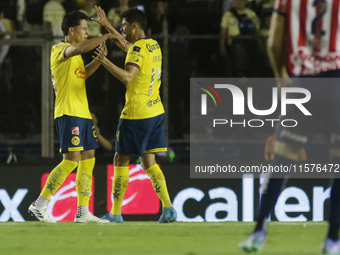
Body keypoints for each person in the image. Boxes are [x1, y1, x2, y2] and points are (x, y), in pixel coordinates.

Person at [239, 0, 340, 253]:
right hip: (335, 82)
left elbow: (273, 42)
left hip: (303, 83)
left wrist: (280, 75)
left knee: (282, 158)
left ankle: (259, 231)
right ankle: (332, 240)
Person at [28, 10, 126, 223]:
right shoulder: (59, 49)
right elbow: (81, 47)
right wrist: (108, 35)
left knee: (89, 157)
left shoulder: (77, 57)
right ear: (70, 31)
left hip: (83, 113)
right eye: (84, 29)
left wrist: (100, 60)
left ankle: (83, 211)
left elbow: (82, 76)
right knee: (71, 160)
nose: (87, 33)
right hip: (68, 112)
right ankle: (39, 204)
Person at [91, 6, 177, 223]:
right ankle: (168, 209)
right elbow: (129, 46)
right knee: (149, 161)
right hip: (155, 111)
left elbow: (128, 77)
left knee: (120, 159)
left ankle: (116, 213)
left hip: (136, 115)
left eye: (124, 25)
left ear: (134, 26)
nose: (122, 28)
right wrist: (108, 27)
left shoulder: (138, 49)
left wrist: (104, 61)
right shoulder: (153, 45)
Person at [220, 0, 260, 77]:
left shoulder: (251, 14)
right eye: (237, 0)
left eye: (241, 1)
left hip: (248, 47)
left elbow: (258, 31)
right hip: (232, 47)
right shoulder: (228, 14)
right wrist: (222, 46)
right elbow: (223, 32)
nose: (239, 2)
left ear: (245, 2)